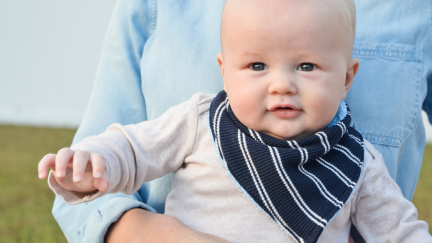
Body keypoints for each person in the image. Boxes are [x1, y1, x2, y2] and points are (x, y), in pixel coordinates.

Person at [39, 0, 432, 242]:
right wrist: (95, 160)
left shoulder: (357, 164)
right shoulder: (201, 122)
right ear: (224, 71)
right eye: (258, 65)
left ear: (347, 78)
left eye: (307, 66)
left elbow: (399, 231)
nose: (282, 85)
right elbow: (134, 146)